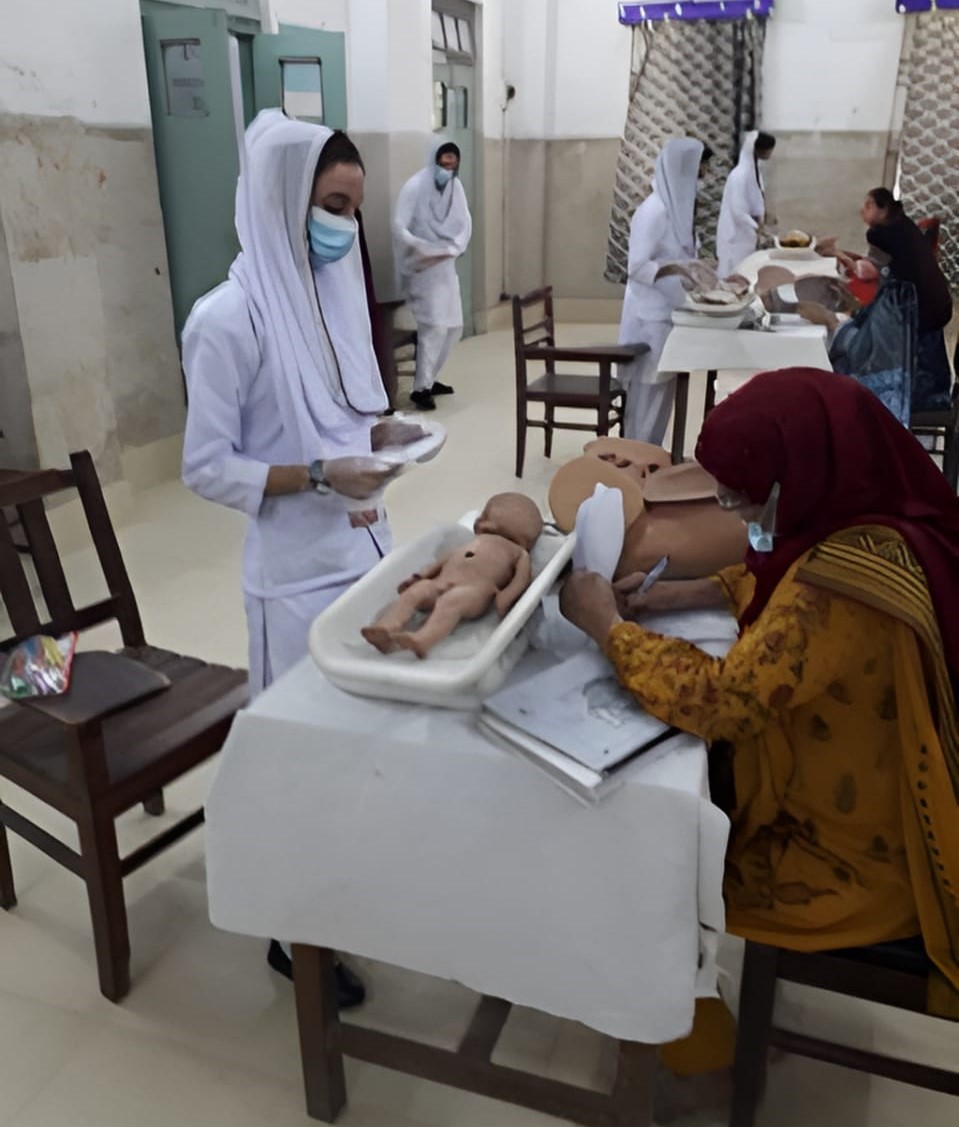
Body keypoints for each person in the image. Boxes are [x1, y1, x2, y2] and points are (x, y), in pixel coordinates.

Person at [560, 368, 959, 1073]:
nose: (736, 510)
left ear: (800, 472)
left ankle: (688, 1039)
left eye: (745, 495)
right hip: (871, 787)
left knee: (651, 846)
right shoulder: (882, 513)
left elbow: (725, 703)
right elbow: (769, 569)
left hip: (856, 852)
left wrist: (609, 630)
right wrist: (679, 594)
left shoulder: (841, 585)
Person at [182, 110, 421, 1006]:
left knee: (359, 748)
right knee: (301, 759)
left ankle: (348, 893)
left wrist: (380, 435)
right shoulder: (226, 320)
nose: (344, 228)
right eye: (332, 206)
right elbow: (206, 466)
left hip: (366, 551)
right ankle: (293, 935)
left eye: (354, 209)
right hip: (291, 580)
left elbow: (345, 411)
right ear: (284, 202)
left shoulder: (329, 292)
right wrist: (319, 474)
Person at [361, 493, 542, 658]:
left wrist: (507, 597)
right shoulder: (475, 541)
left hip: (475, 591)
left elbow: (522, 579)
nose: (478, 519)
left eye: (486, 515)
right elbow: (448, 558)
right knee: (417, 591)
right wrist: (423, 575)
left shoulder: (518, 552)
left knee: (450, 602)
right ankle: (387, 626)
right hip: (441, 582)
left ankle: (423, 639)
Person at [617, 138, 704, 445]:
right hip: (648, 317)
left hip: (668, 313)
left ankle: (651, 457)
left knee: (661, 395)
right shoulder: (653, 211)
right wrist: (677, 269)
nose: (701, 179)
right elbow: (637, 267)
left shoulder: (677, 210)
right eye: (698, 172)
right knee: (646, 397)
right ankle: (633, 458)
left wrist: (700, 270)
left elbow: (681, 256)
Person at [394, 141, 473, 411]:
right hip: (421, 268)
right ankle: (421, 389)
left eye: (452, 165)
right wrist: (423, 249)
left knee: (454, 327)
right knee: (434, 326)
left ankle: (430, 377)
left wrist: (452, 249)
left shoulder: (455, 187)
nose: (447, 170)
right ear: (434, 161)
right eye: (443, 164)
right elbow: (399, 227)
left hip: (445, 266)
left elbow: (464, 223)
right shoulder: (415, 187)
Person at [860, 187, 954, 411]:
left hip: (921, 308)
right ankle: (940, 400)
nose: (862, 211)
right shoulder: (903, 222)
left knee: (918, 359)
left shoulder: (879, 234)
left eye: (869, 205)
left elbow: (872, 270)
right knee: (933, 357)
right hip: (937, 300)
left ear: (883, 209)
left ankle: (924, 408)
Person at [716, 130, 776, 278]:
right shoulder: (739, 175)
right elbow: (738, 211)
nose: (770, 153)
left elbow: (756, 201)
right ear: (758, 150)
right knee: (734, 275)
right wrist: (757, 227)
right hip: (735, 237)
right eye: (768, 149)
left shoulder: (754, 173)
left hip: (747, 236)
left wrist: (762, 220)